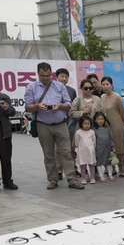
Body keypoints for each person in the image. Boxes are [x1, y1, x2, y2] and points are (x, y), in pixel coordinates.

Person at [24, 62, 82, 190]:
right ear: (38, 73)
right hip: (43, 125)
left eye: (48, 75)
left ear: (52, 74)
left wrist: (59, 106)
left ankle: (72, 179)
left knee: (66, 152)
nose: (45, 78)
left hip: (61, 124)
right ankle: (52, 179)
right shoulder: (31, 87)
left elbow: (68, 103)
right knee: (48, 154)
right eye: (42, 75)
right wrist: (37, 106)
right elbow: (28, 107)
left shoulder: (59, 86)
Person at [99, 76, 124, 178]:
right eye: (103, 84)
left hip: (117, 126)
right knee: (109, 148)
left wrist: (121, 124)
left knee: (120, 148)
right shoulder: (102, 97)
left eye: (107, 84)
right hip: (106, 126)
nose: (105, 86)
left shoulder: (117, 97)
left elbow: (123, 112)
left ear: (112, 85)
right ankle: (112, 169)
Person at [56, 68, 79, 178]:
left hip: (69, 123)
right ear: (56, 77)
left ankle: (73, 168)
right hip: (57, 122)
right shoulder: (52, 89)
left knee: (71, 148)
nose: (64, 79)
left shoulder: (71, 91)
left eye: (66, 77)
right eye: (62, 76)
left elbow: (73, 107)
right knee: (57, 149)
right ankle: (59, 170)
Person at [74, 115, 97, 184]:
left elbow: (94, 141)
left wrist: (92, 148)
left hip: (90, 151)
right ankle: (83, 178)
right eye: (85, 124)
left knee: (91, 165)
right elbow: (76, 142)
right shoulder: (78, 132)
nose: (87, 125)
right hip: (82, 152)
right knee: (82, 165)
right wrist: (80, 147)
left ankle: (92, 178)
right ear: (81, 124)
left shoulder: (92, 132)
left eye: (88, 124)